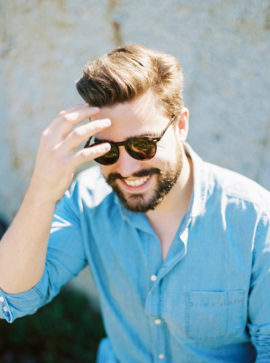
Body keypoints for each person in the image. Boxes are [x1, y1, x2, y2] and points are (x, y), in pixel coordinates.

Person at [0, 44, 269, 363]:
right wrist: (41, 191)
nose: (126, 170)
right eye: (108, 151)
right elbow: (13, 298)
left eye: (143, 144)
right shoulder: (88, 200)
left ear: (181, 125)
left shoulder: (255, 221)